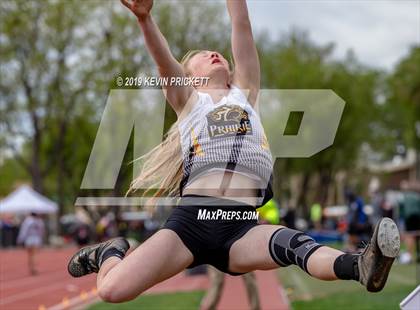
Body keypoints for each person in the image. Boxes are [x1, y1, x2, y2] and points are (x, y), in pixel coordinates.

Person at [67, 0, 400, 303]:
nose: (215, 54)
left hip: (241, 224)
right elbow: (163, 61)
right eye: (203, 55)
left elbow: (240, 21)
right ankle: (111, 250)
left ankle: (362, 265)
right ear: (189, 76)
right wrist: (144, 18)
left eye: (218, 52)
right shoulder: (189, 102)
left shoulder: (245, 93)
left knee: (298, 247)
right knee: (112, 290)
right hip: (192, 223)